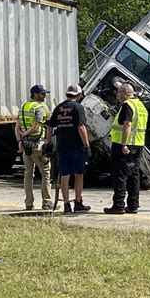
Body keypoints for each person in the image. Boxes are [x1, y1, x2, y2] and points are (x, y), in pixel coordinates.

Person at [46, 84, 91, 214]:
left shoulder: (59, 107)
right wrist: (87, 145)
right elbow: (81, 127)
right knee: (79, 174)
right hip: (76, 147)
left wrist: (49, 143)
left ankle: (66, 205)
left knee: (65, 176)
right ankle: (78, 202)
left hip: (61, 146)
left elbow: (50, 126)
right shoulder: (78, 107)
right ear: (78, 95)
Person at [104, 83, 148, 214]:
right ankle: (133, 205)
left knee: (120, 175)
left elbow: (127, 124)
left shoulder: (127, 105)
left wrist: (124, 144)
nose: (117, 96)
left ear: (124, 93)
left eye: (118, 93)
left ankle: (118, 205)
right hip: (138, 145)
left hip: (124, 145)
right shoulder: (141, 106)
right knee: (134, 174)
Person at [15, 84, 53, 210]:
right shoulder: (40, 107)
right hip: (37, 144)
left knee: (28, 174)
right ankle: (47, 202)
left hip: (26, 146)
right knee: (46, 173)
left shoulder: (24, 106)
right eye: (42, 94)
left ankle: (28, 203)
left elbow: (17, 127)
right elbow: (37, 126)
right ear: (35, 94)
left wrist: (20, 139)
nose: (45, 96)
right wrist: (25, 134)